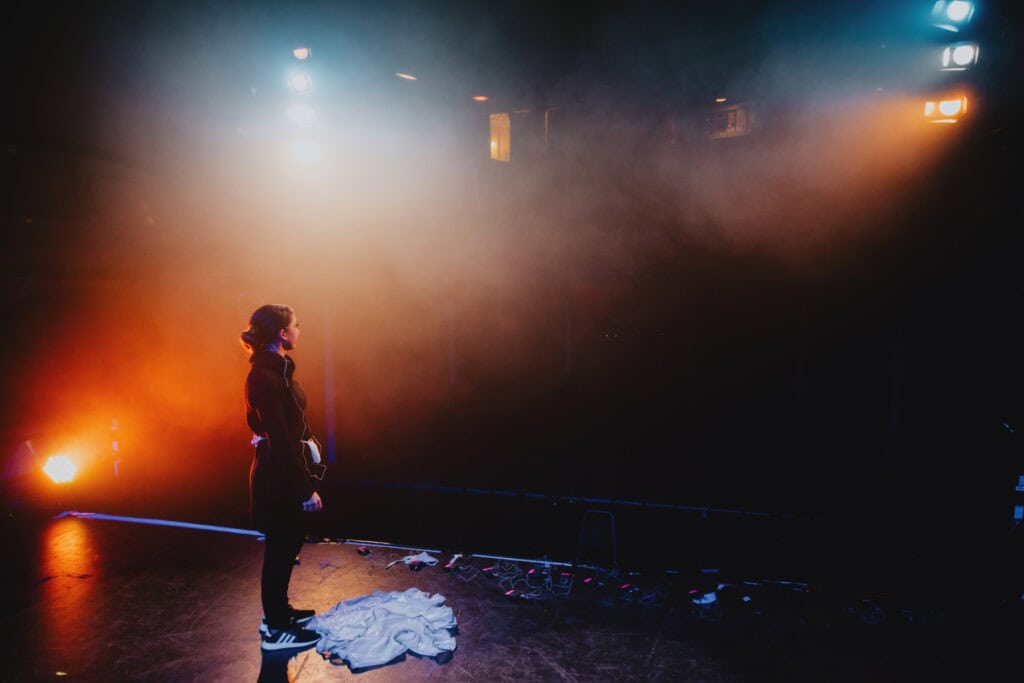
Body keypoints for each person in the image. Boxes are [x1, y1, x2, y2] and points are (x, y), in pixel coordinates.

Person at [241, 304, 323, 651]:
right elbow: (280, 439)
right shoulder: (264, 376)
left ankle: (280, 612)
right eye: (296, 325)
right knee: (279, 549)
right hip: (278, 478)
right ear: (282, 334)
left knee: (287, 546)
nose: (300, 330)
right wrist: (306, 489)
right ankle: (275, 628)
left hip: (283, 472)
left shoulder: (278, 371)